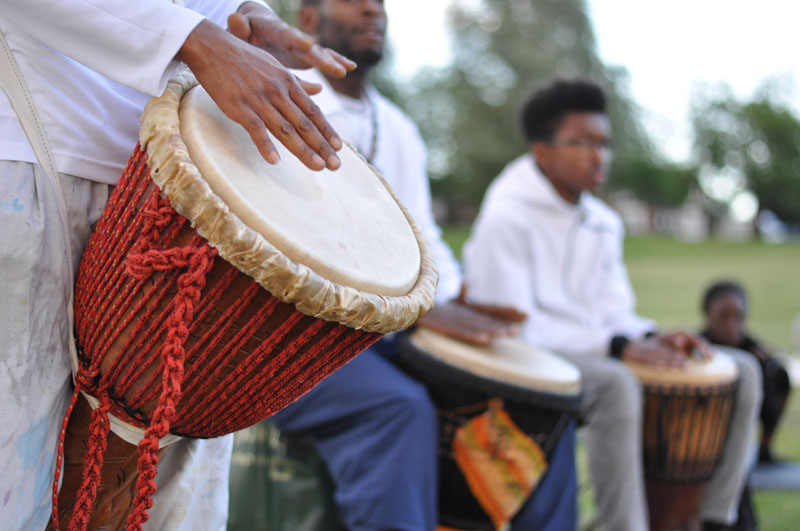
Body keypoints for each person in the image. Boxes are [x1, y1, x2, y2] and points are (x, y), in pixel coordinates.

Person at [0, 1, 356, 528]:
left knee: (171, 499)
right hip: (39, 146)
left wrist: (240, 15)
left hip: (186, 177)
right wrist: (198, 40)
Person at [267, 1, 579, 529]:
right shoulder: (281, 99)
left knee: (537, 401)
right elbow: (289, 244)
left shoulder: (400, 128)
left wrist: (458, 298)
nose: (373, 7)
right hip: (296, 339)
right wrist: (410, 311)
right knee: (398, 407)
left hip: (389, 334)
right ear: (309, 19)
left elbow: (423, 241)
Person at [462, 78, 762, 531]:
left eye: (604, 143)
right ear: (541, 151)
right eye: (582, 143)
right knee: (617, 384)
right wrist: (619, 345)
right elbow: (517, 331)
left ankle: (712, 518)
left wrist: (649, 336)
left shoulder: (603, 221)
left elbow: (616, 311)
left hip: (590, 352)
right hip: (523, 361)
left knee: (742, 370)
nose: (598, 155)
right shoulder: (506, 216)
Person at [701, 280, 791, 464]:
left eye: (738, 317)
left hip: (751, 411)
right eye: (723, 317)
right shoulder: (701, 347)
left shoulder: (753, 350)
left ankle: (765, 448)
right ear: (708, 314)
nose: (731, 325)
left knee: (778, 374)